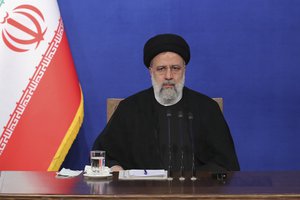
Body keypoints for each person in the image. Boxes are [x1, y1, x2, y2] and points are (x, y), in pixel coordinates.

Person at [93, 33, 240, 172]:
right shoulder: (130, 108)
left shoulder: (207, 108)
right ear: (151, 71)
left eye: (175, 68)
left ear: (184, 70)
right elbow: (103, 156)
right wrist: (115, 168)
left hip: (195, 193)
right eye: (161, 69)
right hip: (141, 194)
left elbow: (226, 164)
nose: (169, 76)